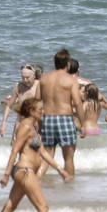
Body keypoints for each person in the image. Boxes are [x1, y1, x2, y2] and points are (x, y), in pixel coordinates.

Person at [0, 99, 73, 212]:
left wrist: (59, 169)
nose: (43, 112)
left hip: (26, 171)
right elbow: (15, 150)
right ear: (31, 111)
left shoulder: (33, 127)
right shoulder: (25, 126)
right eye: (40, 109)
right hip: (25, 171)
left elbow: (42, 151)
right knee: (43, 207)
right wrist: (6, 174)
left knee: (10, 205)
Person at [39, 49, 85, 178]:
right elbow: (77, 103)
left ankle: (38, 178)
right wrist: (83, 124)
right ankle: (69, 184)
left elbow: (37, 100)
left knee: (47, 155)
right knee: (68, 158)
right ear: (68, 64)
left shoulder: (44, 78)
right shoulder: (70, 80)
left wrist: (35, 122)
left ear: (55, 63)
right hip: (64, 118)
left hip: (47, 118)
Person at [0, 64, 40, 138]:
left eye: (27, 77)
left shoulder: (40, 86)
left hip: (36, 125)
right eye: (22, 77)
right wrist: (3, 123)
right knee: (16, 148)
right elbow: (9, 106)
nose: (25, 80)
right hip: (20, 124)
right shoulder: (18, 87)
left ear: (34, 76)